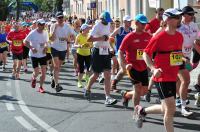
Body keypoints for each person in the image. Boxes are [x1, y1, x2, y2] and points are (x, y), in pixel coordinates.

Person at [135, 8, 183, 132]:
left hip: (173, 76)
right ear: (168, 19)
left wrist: (184, 60)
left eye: (180, 17)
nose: (180, 19)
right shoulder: (159, 36)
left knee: (165, 108)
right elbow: (145, 53)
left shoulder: (179, 36)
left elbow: (176, 54)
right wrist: (153, 68)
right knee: (171, 109)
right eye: (177, 17)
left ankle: (142, 111)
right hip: (162, 76)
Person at [83, 11, 117, 106]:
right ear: (101, 19)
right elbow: (89, 39)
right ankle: (88, 88)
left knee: (107, 75)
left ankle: (108, 97)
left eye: (108, 21)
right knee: (96, 75)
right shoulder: (97, 26)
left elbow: (108, 37)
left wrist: (111, 47)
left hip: (105, 50)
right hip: (97, 51)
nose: (107, 22)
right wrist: (101, 38)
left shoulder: (109, 23)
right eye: (106, 21)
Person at [118, 14, 151, 108]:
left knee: (144, 91)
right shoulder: (129, 37)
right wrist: (124, 65)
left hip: (143, 66)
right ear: (136, 23)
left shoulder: (148, 36)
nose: (144, 26)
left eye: (145, 24)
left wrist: (150, 64)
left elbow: (151, 50)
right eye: (142, 24)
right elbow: (120, 51)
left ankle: (126, 95)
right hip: (132, 66)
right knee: (137, 88)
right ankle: (137, 112)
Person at [176, 6, 200, 116]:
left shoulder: (194, 25)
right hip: (175, 55)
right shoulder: (177, 26)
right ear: (184, 14)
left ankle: (179, 99)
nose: (192, 16)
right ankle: (183, 107)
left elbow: (195, 42)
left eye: (193, 14)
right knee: (186, 80)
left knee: (180, 80)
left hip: (187, 55)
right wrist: (183, 58)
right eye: (190, 14)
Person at [49, 11, 74, 92]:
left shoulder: (68, 26)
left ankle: (53, 78)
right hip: (54, 48)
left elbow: (73, 37)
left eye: (61, 17)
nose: (60, 19)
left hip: (63, 49)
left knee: (58, 67)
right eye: (59, 18)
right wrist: (55, 28)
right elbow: (51, 39)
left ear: (64, 18)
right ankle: (57, 85)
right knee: (56, 66)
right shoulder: (53, 26)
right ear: (56, 19)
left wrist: (67, 39)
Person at [24, 19, 49, 93]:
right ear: (38, 25)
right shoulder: (32, 33)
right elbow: (25, 42)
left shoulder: (45, 32)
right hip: (33, 55)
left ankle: (41, 87)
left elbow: (47, 42)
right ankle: (33, 78)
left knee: (44, 73)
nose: (43, 26)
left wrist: (46, 47)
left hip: (42, 55)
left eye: (44, 24)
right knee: (37, 72)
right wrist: (31, 48)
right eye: (41, 24)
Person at [110, 15, 133, 92]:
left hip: (128, 53)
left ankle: (136, 85)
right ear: (124, 22)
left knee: (130, 68)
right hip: (120, 52)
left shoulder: (131, 30)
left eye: (130, 21)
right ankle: (113, 84)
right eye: (128, 21)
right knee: (123, 69)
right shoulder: (120, 29)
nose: (130, 22)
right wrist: (112, 48)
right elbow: (110, 38)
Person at [74, 24, 92, 88]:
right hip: (80, 54)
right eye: (87, 28)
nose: (88, 29)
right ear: (83, 29)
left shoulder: (89, 36)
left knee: (88, 68)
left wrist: (89, 46)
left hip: (88, 54)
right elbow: (75, 45)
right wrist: (80, 46)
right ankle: (79, 82)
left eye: (88, 28)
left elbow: (91, 45)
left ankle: (86, 77)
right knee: (81, 69)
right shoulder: (79, 36)